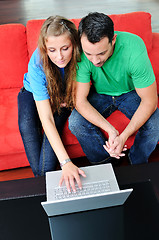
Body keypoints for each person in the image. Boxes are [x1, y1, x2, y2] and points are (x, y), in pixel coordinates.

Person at [69, 12, 159, 165]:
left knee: (155, 124)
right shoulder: (80, 51)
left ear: (113, 40)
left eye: (102, 53)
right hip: (100, 94)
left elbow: (150, 101)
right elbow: (79, 101)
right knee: (76, 122)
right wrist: (110, 130)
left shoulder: (134, 48)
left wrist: (123, 136)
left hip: (130, 92)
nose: (95, 60)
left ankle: (137, 162)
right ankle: (104, 162)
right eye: (89, 54)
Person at [18, 16, 86, 193]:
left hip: (63, 98)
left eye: (65, 48)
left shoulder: (82, 55)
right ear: (44, 49)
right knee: (26, 125)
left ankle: (46, 187)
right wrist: (66, 162)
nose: (60, 56)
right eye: (52, 50)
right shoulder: (37, 62)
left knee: (45, 170)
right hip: (32, 92)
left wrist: (67, 164)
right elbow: (45, 117)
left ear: (74, 44)